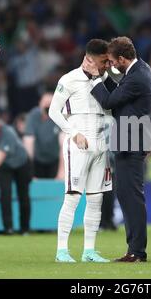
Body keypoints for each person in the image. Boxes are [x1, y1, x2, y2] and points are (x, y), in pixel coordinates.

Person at [83, 36, 151, 262]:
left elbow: (109, 102)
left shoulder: (136, 78)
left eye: (113, 62)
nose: (111, 65)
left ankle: (136, 252)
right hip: (131, 141)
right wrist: (104, 77)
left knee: (131, 197)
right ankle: (135, 249)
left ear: (122, 59)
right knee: (128, 195)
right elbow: (118, 94)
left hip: (131, 142)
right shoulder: (139, 71)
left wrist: (95, 78)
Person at [49, 39, 113, 263]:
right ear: (90, 59)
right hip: (78, 141)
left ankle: (89, 251)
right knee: (73, 197)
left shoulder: (105, 79)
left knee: (96, 199)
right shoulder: (68, 79)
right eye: (103, 61)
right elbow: (53, 111)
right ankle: (61, 251)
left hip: (100, 142)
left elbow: (111, 108)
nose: (106, 64)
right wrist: (73, 133)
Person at [0, 109, 32, 235]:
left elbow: (0, 156)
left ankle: (25, 229)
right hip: (3, 167)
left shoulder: (8, 132)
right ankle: (8, 228)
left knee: (23, 195)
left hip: (21, 163)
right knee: (5, 194)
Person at [23, 93, 61, 178]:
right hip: (37, 160)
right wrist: (29, 170)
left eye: (50, 103)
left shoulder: (60, 115)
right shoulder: (33, 115)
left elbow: (64, 142)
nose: (48, 106)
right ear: (40, 103)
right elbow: (28, 141)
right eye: (45, 103)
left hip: (55, 160)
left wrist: (62, 171)